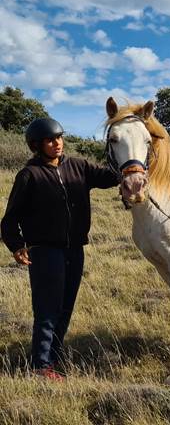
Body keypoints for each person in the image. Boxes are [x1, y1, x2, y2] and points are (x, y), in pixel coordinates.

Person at [1, 118, 119, 380]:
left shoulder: (78, 166)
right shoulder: (29, 175)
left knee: (66, 307)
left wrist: (130, 158)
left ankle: (54, 357)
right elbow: (10, 219)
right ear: (37, 145)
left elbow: (110, 177)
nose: (57, 144)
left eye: (59, 138)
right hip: (45, 251)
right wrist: (17, 246)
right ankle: (41, 366)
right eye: (50, 140)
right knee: (47, 309)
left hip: (74, 249)